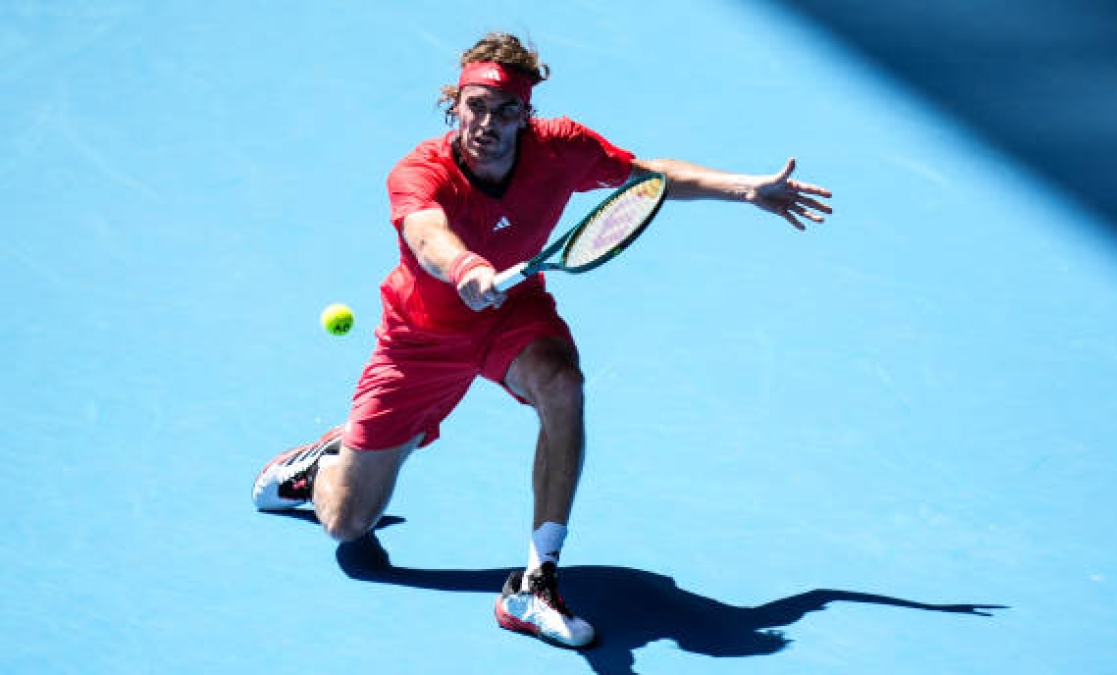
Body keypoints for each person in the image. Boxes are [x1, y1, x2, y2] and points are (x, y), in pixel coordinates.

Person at [252, 32, 832, 649]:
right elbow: (428, 235)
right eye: (477, 105)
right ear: (455, 104)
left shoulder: (562, 149)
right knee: (348, 526)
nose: (489, 124)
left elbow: (650, 179)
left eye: (507, 112)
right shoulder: (419, 173)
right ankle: (324, 464)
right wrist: (467, 268)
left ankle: (536, 583)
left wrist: (747, 189)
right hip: (420, 338)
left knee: (563, 384)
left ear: (527, 116)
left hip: (512, 315)